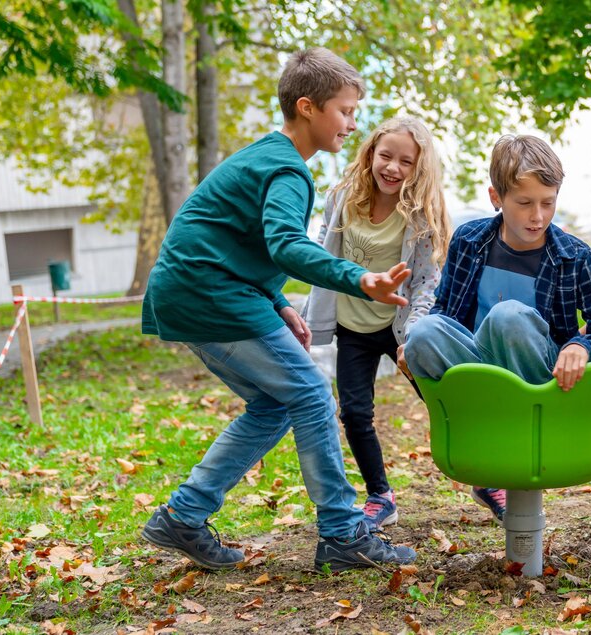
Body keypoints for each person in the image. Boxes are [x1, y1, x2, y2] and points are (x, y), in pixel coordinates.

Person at [138, 48, 417, 573]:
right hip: (208, 292)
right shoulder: (288, 170)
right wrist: (358, 277)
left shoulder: (268, 158)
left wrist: (274, 301)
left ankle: (183, 515)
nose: (352, 123)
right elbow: (286, 245)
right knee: (311, 392)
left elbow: (241, 240)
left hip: (194, 290)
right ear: (308, 107)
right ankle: (341, 532)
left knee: (274, 404)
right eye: (345, 110)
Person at [403, 134, 591, 523]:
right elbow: (446, 314)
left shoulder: (576, 256)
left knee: (508, 317)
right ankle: (484, 432)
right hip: (479, 381)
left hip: (537, 386)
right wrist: (418, 351)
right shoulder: (469, 242)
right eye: (524, 203)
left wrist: (581, 345)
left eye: (548, 202)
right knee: (422, 333)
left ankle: (518, 436)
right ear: (496, 197)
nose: (537, 216)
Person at [302, 116, 450, 532]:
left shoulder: (421, 214)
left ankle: (488, 479)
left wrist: (416, 332)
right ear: (370, 154)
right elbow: (323, 255)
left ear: (419, 169)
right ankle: (380, 495)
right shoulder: (343, 199)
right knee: (354, 412)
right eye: (385, 156)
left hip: (402, 324)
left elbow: (426, 281)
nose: (393, 168)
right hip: (353, 326)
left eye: (406, 161)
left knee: (443, 401)